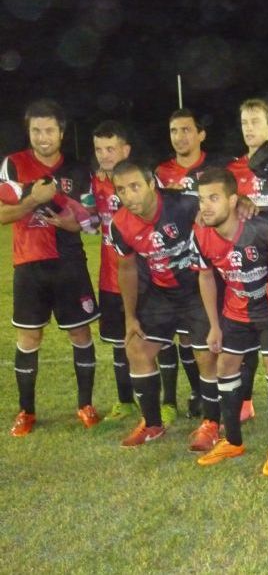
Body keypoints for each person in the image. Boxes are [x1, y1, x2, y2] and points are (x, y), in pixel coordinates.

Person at [0, 99, 100, 436]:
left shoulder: (78, 170)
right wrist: (32, 201)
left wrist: (76, 222)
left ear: (61, 132)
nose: (43, 137)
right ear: (29, 132)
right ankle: (26, 412)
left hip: (70, 264)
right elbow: (1, 213)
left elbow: (90, 222)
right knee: (29, 337)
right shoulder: (13, 165)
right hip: (29, 264)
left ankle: (85, 405)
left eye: (49, 130)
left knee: (80, 333)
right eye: (36, 130)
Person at [109, 160, 222, 448]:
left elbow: (220, 207)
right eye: (121, 189)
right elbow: (127, 269)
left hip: (197, 288)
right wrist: (130, 317)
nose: (129, 195)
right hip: (161, 293)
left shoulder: (184, 204)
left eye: (135, 186)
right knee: (136, 347)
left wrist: (243, 203)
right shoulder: (119, 224)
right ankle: (152, 424)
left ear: (151, 184)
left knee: (206, 355)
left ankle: (211, 423)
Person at [191, 167, 268, 470]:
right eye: (202, 199)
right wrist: (214, 326)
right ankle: (233, 441)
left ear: (234, 200)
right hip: (235, 311)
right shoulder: (200, 235)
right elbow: (206, 278)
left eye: (214, 198)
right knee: (225, 366)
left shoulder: (260, 229)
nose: (206, 206)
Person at [154, 108, 225, 422]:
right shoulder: (160, 172)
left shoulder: (216, 167)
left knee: (210, 334)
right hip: (174, 265)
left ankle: (221, 392)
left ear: (200, 134)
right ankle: (198, 392)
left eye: (186, 130)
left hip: (210, 263)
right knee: (184, 336)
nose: (179, 137)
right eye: (174, 131)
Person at [228, 98, 268, 422]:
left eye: (256, 121)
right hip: (248, 264)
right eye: (244, 122)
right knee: (248, 329)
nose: (249, 128)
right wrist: (237, 199)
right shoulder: (233, 170)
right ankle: (245, 401)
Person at [91, 120, 138, 421]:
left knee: (151, 339)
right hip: (110, 276)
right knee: (119, 344)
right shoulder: (93, 183)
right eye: (99, 149)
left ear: (125, 149)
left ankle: (167, 401)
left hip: (139, 276)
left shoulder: (139, 182)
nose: (105, 155)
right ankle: (125, 400)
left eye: (111, 148)